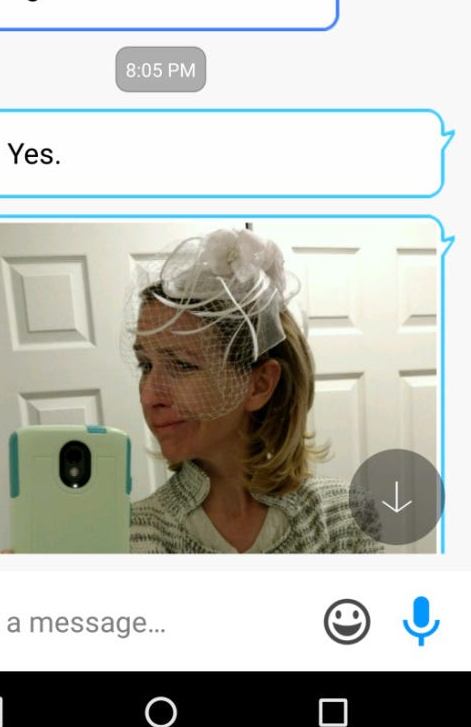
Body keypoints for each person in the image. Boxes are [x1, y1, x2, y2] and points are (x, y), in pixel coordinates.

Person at [128, 228, 381, 554]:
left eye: (181, 365)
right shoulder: (132, 536)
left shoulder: (344, 518)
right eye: (145, 365)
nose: (149, 396)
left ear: (259, 385)